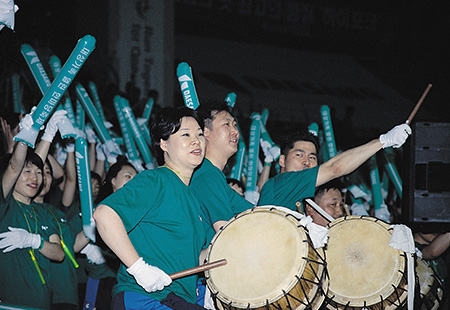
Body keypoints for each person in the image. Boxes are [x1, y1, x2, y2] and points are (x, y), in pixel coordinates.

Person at [93, 106, 209, 310]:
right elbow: (104, 214)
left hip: (179, 298)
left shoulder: (193, 198)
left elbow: (190, 258)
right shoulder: (155, 180)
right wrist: (140, 269)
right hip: (146, 298)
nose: (196, 140)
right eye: (186, 134)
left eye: (200, 134)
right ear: (163, 143)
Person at [258, 123, 411, 212]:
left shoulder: (302, 196)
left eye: (312, 157)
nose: (306, 162)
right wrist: (383, 141)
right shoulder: (284, 182)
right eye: (299, 155)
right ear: (282, 161)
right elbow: (335, 168)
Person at [0, 110, 65, 309]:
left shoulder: (44, 212)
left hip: (43, 304)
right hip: (11, 305)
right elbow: (14, 166)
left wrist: (34, 241)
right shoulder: (5, 206)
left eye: (38, 173)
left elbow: (59, 253)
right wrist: (26, 136)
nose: (34, 178)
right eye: (27, 172)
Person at [191, 101, 253, 235]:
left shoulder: (212, 175)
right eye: (227, 124)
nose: (235, 131)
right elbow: (225, 233)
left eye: (235, 125)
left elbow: (256, 215)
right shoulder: (207, 175)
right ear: (205, 133)